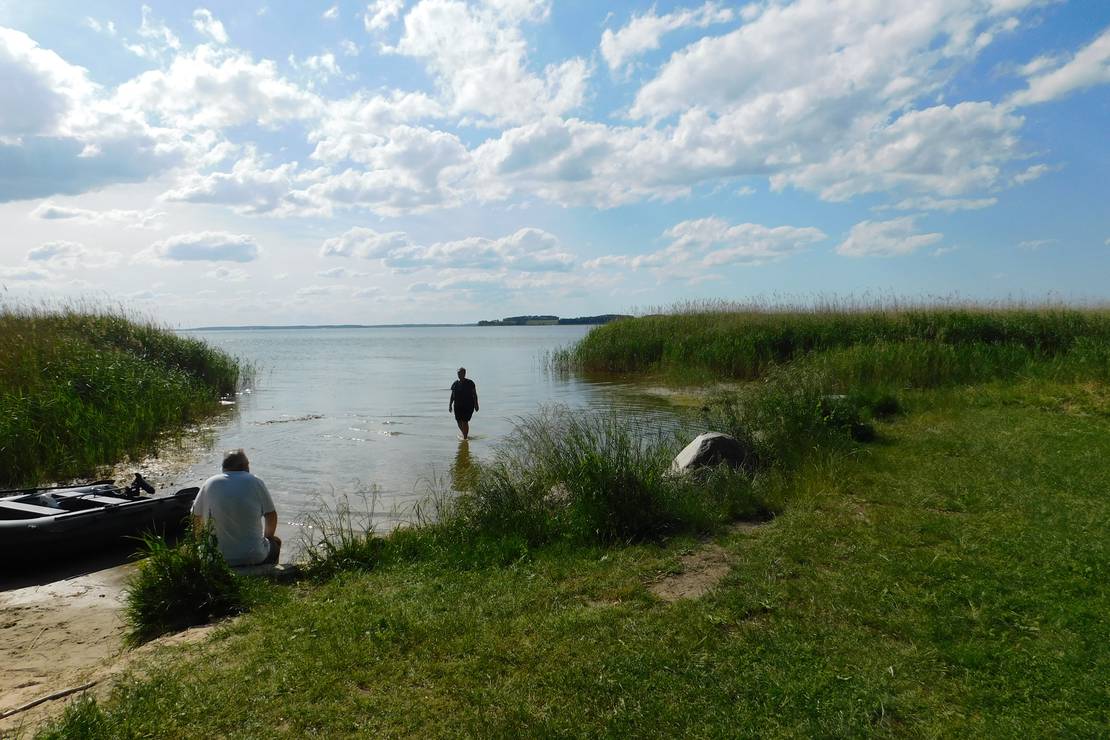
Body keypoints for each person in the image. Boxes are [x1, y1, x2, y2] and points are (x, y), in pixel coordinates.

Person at [190, 449, 281, 566]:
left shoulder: (209, 483)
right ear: (244, 465)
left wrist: (200, 540)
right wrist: (268, 537)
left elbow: (195, 516)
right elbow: (271, 515)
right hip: (253, 556)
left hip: (215, 558)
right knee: (276, 542)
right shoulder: (255, 482)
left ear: (224, 467)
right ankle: (270, 572)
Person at [449, 367, 479, 440]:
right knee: (458, 421)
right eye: (458, 373)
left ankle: (465, 438)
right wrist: (450, 405)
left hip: (468, 405)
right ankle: (465, 434)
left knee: (465, 421)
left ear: (464, 374)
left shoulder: (470, 383)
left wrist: (476, 404)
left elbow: (474, 394)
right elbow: (452, 395)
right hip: (457, 405)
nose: (459, 375)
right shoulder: (455, 384)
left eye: (461, 373)